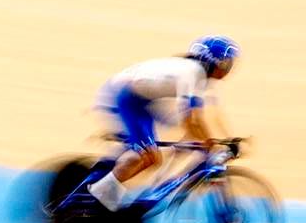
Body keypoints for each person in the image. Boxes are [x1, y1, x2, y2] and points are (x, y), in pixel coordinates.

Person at [75, 37, 239, 212]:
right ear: (211, 61)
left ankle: (113, 174)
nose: (228, 69)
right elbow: (190, 121)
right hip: (127, 97)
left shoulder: (203, 79)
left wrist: (229, 138)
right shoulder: (194, 72)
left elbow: (213, 114)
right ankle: (99, 195)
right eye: (225, 64)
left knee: (157, 153)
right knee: (146, 155)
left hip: (143, 101)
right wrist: (209, 143)